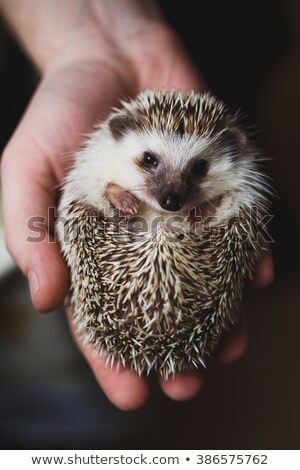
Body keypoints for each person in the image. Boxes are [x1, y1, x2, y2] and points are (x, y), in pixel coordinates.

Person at [0, 0, 274, 411]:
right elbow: (85, 197)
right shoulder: (101, 164)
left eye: (198, 169)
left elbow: (239, 216)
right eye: (150, 161)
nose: (171, 193)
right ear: (119, 136)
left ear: (232, 153)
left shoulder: (234, 176)